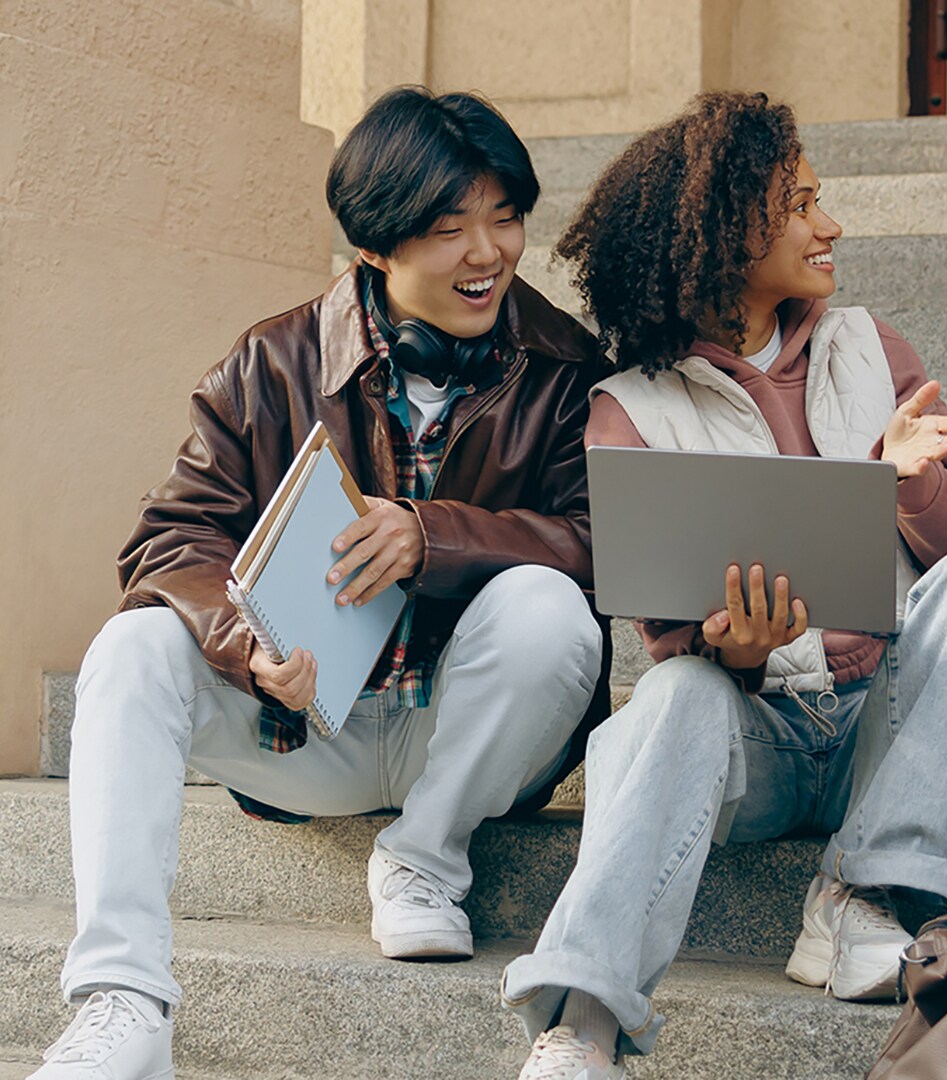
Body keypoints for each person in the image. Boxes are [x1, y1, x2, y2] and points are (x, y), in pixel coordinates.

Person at [31, 87, 611, 1080]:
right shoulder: (271, 362)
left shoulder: (563, 370)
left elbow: (603, 540)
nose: (490, 251)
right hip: (301, 727)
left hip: (469, 731)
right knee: (129, 644)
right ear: (377, 245)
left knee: (549, 608)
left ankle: (425, 859)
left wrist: (435, 537)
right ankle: (123, 1001)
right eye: (449, 227)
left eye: (505, 216)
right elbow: (171, 540)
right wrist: (245, 644)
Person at [501, 91, 947, 1080]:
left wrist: (916, 488)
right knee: (671, 696)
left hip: (885, 728)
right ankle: (583, 1022)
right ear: (722, 234)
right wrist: (735, 649)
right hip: (755, 743)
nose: (828, 224)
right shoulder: (630, 411)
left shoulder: (872, 351)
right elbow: (668, 639)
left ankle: (859, 893)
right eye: (799, 204)